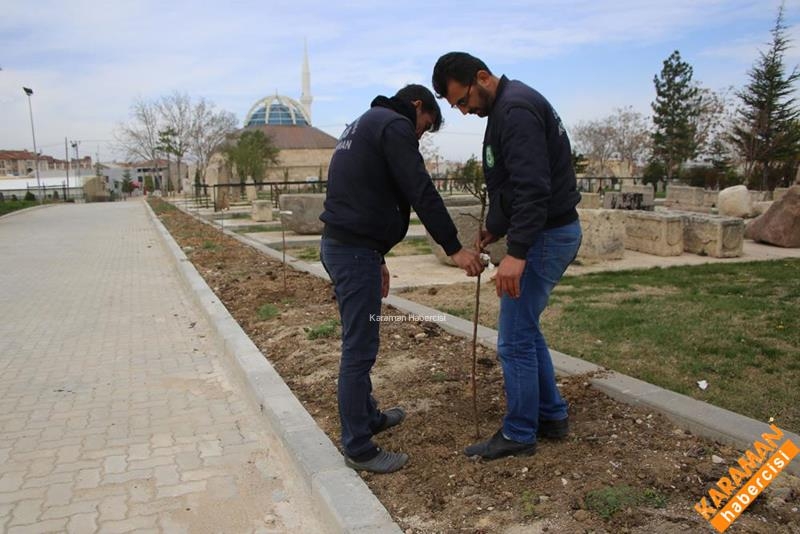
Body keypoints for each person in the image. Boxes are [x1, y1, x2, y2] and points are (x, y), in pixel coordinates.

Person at [320, 84, 485, 474]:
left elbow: (363, 194)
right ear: (416, 106)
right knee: (359, 351)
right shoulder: (394, 125)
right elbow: (420, 189)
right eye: (425, 126)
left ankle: (369, 416)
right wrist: (454, 248)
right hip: (351, 252)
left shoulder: (364, 123)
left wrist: (376, 256)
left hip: (349, 248)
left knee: (361, 340)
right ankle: (359, 447)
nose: (420, 136)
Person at [432, 52, 582, 460]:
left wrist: (516, 253)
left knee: (513, 340)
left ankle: (519, 433)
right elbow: (513, 182)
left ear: (482, 77)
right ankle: (551, 415)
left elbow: (534, 186)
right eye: (457, 107)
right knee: (526, 330)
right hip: (542, 232)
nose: (464, 111)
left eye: (463, 101)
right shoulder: (507, 108)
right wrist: (496, 228)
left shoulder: (514, 110)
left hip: (545, 237)